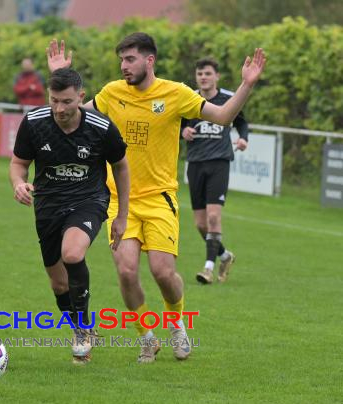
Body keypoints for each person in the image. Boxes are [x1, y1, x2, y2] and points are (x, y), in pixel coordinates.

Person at [47, 34, 265, 363]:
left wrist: (247, 85)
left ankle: (176, 324)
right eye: (121, 59)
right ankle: (147, 337)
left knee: (163, 272)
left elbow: (222, 117)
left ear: (149, 61)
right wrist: (61, 76)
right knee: (126, 271)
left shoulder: (175, 94)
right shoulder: (111, 93)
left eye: (130, 59)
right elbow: (69, 113)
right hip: (119, 202)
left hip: (160, 199)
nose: (123, 65)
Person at [9, 68, 130, 365]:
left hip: (89, 200)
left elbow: (122, 167)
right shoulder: (35, 123)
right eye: (54, 101)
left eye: (66, 102)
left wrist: (121, 215)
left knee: (73, 254)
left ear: (81, 97)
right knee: (59, 285)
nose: (60, 109)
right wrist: (19, 183)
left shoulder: (102, 127)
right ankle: (81, 326)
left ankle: (82, 335)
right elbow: (18, 163)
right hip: (48, 205)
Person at [181, 57, 249, 285]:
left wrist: (243, 139)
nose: (203, 77)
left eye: (208, 73)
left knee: (212, 217)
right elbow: (178, 123)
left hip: (219, 162)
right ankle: (225, 256)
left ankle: (208, 268)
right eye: (200, 74)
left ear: (216, 76)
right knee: (200, 224)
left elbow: (241, 122)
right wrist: (183, 132)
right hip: (195, 162)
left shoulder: (228, 98)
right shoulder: (188, 98)